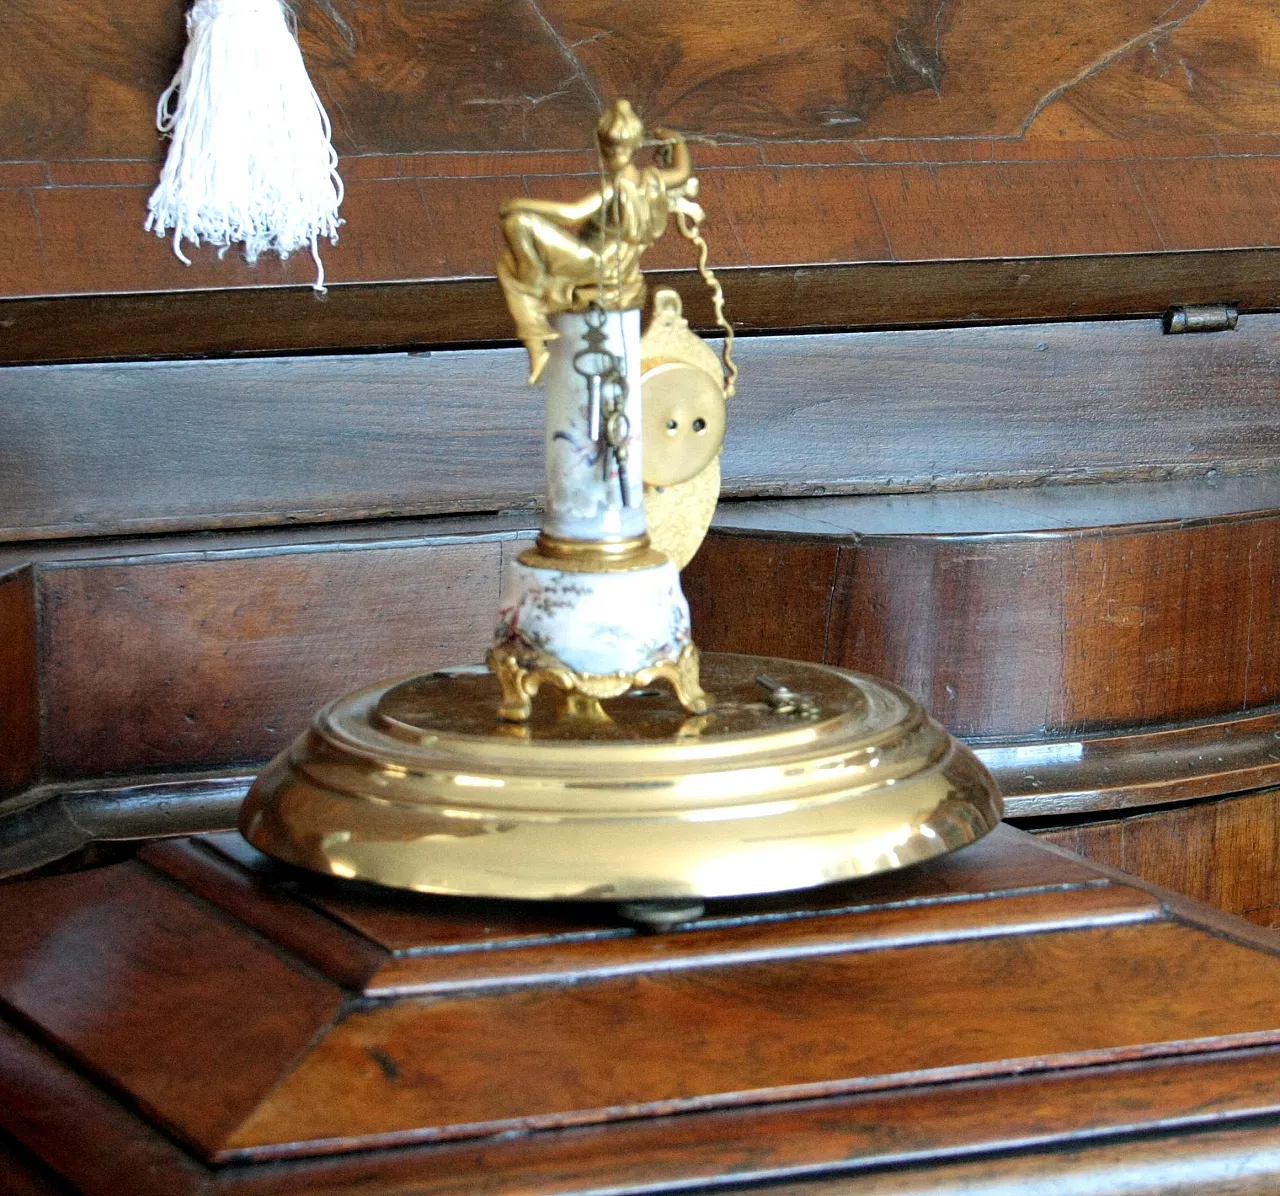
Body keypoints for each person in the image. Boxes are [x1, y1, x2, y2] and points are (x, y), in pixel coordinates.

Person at [498, 98, 703, 383]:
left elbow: (571, 213)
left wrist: (519, 203)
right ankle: (537, 332)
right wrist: (677, 141)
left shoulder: (616, 187)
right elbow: (682, 171)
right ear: (634, 147)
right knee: (513, 263)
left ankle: (536, 344)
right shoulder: (652, 180)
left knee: (516, 228)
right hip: (617, 267)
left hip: (596, 265)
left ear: (604, 151)